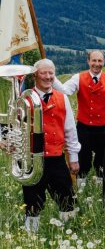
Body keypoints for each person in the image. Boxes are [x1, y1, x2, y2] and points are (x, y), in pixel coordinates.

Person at [21, 59, 81, 233]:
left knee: (66, 196)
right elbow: (14, 125)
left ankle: (70, 232)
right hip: (32, 159)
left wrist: (74, 158)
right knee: (32, 198)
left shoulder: (62, 98)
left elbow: (70, 130)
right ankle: (31, 235)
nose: (48, 77)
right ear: (35, 76)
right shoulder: (25, 98)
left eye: (51, 73)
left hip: (56, 157)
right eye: (43, 73)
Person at [52, 49, 105, 189]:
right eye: (94, 60)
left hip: (104, 127)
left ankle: (99, 188)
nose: (97, 64)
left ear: (104, 62)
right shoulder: (78, 78)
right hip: (84, 127)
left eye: (100, 61)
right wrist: (52, 77)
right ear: (88, 61)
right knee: (83, 158)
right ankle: (81, 189)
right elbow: (65, 91)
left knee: (102, 159)